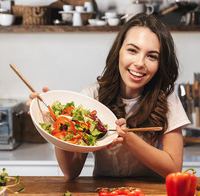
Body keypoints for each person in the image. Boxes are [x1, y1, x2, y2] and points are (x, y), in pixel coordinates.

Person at [28, 13, 190, 180]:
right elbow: (71, 171)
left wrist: (128, 139)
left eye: (152, 56)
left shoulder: (167, 98)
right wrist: (57, 120)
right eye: (132, 50)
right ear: (118, 51)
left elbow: (174, 168)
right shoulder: (92, 97)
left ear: (160, 63)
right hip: (103, 194)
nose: (140, 63)